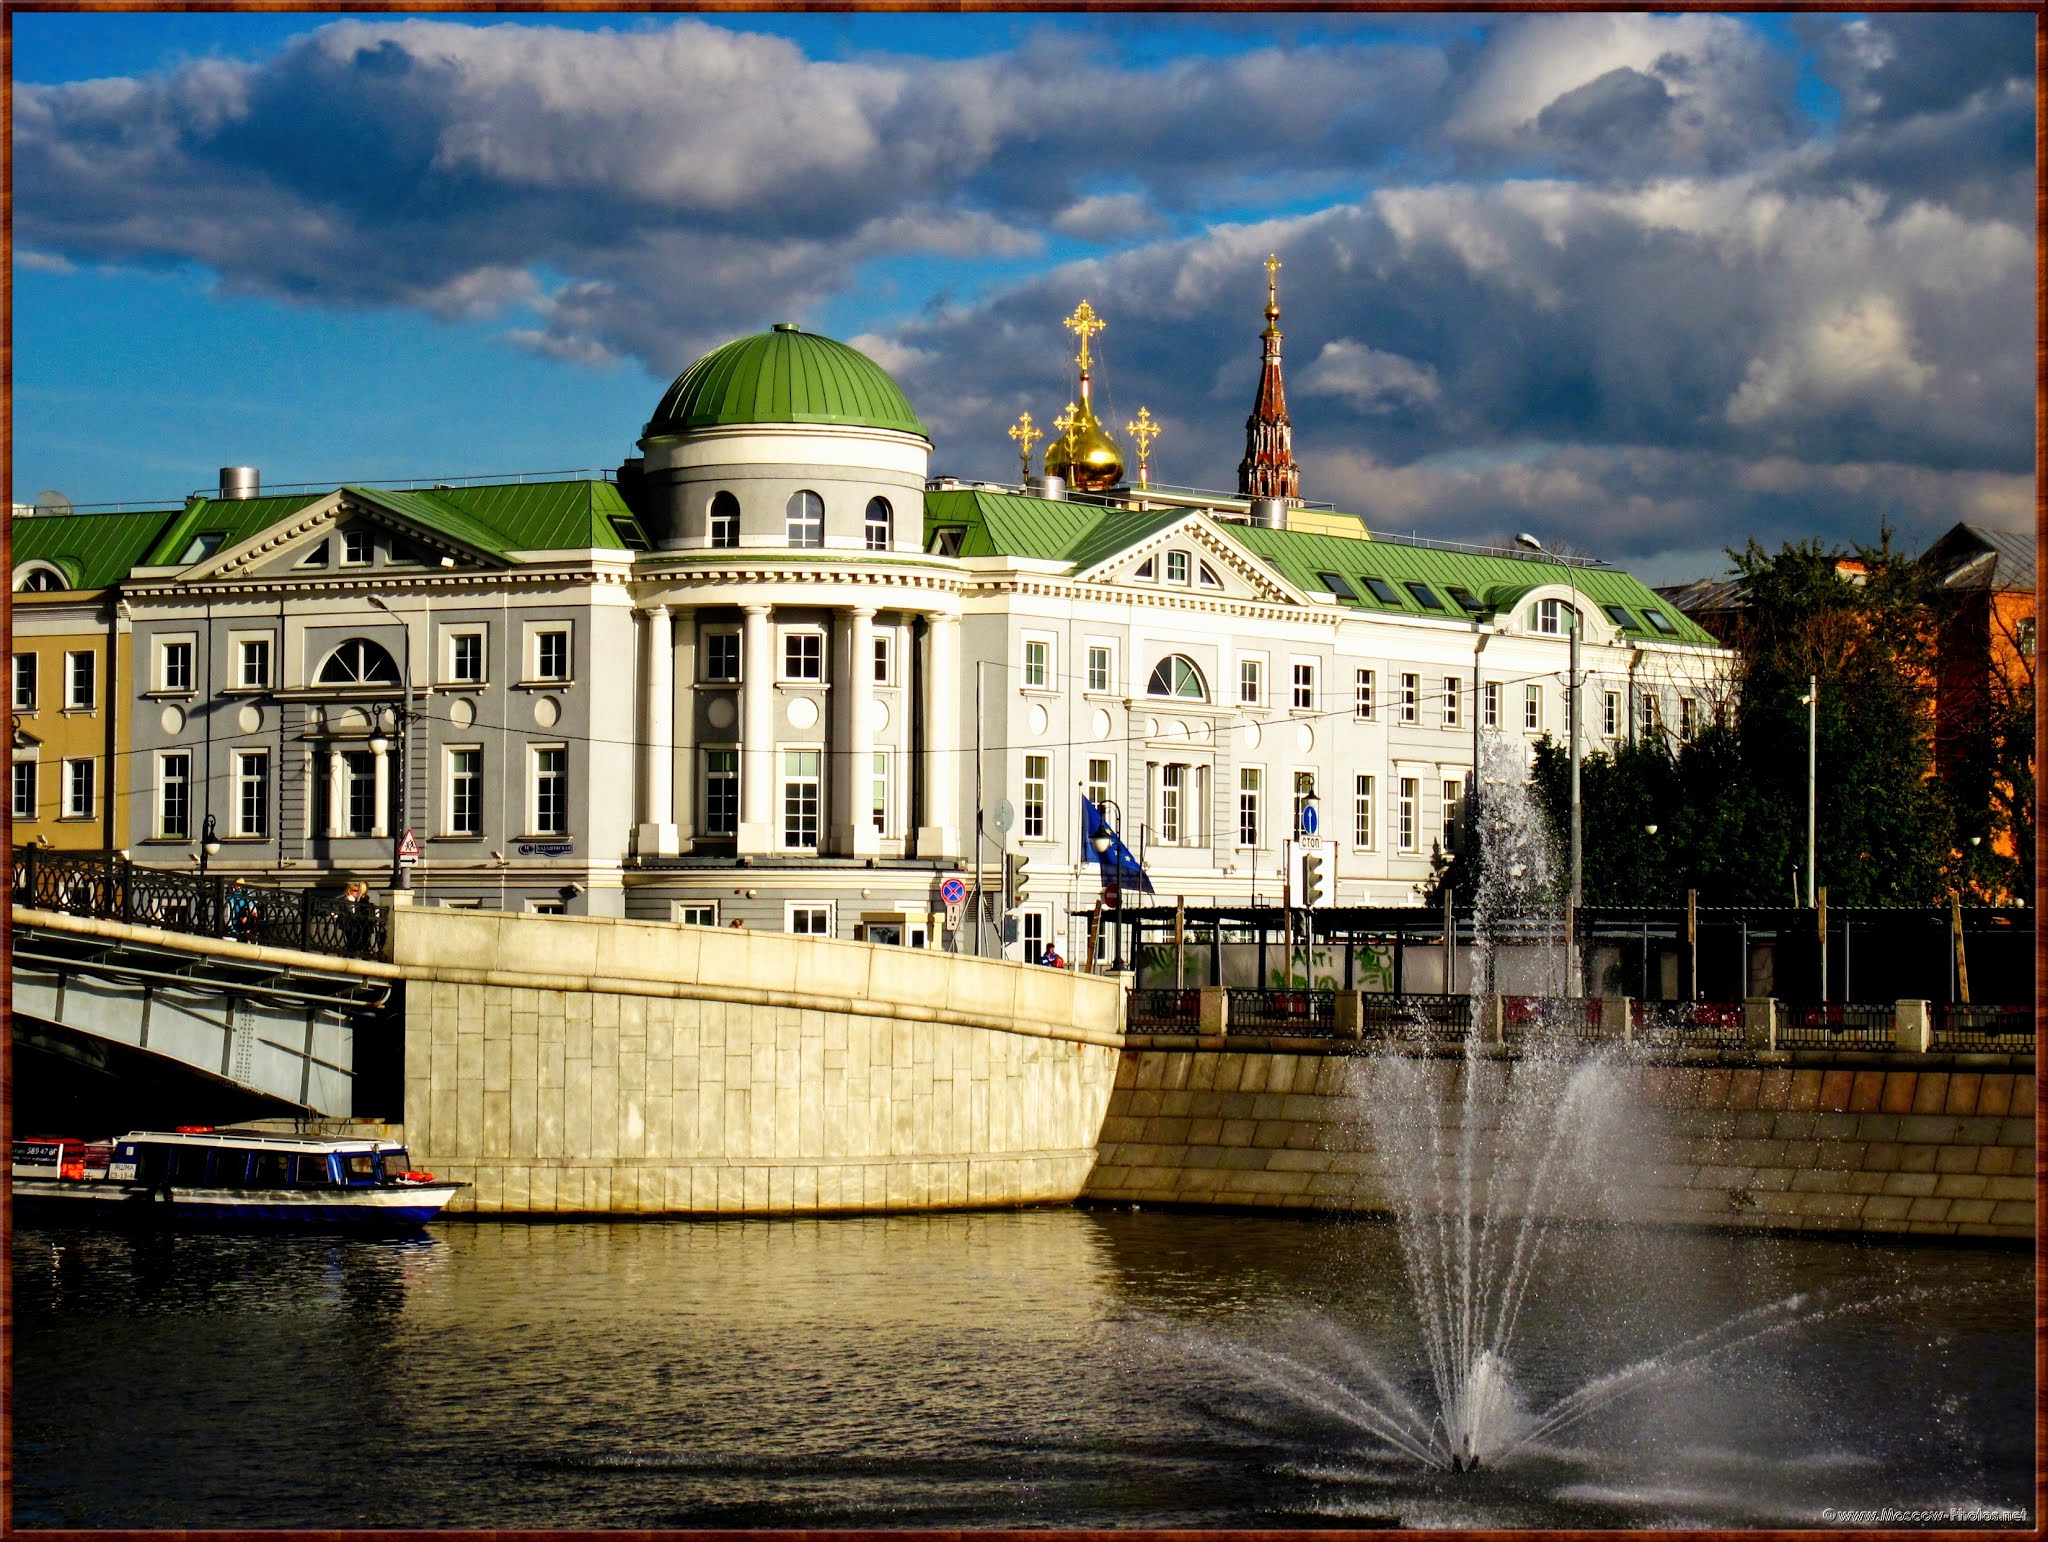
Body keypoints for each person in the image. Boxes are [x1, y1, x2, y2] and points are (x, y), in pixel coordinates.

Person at [224, 878, 256, 942]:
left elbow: (251, 908)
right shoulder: (233, 894)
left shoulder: (246, 893)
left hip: (244, 919)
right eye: (236, 885)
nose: (236, 886)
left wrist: (247, 917)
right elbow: (229, 905)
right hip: (235, 920)